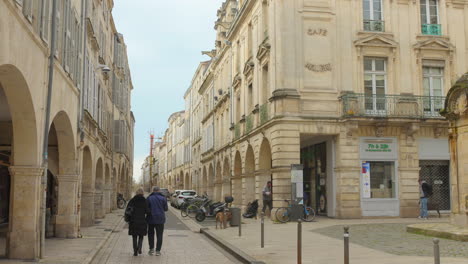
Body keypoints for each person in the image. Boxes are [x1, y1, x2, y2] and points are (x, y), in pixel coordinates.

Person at [126, 188, 149, 256]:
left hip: (133, 221)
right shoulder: (144, 201)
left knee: (134, 236)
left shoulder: (132, 200)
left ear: (136, 193)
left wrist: (128, 219)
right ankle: (139, 248)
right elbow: (147, 211)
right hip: (142, 220)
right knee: (141, 236)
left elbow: (128, 211)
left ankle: (135, 251)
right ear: (142, 193)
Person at [147, 186, 168, 256]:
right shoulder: (163, 198)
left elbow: (147, 209)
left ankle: (151, 249)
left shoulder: (149, 198)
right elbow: (166, 209)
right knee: (159, 235)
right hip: (160, 219)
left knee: (150, 234)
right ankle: (158, 251)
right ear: (159, 191)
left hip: (151, 219)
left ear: (153, 190)